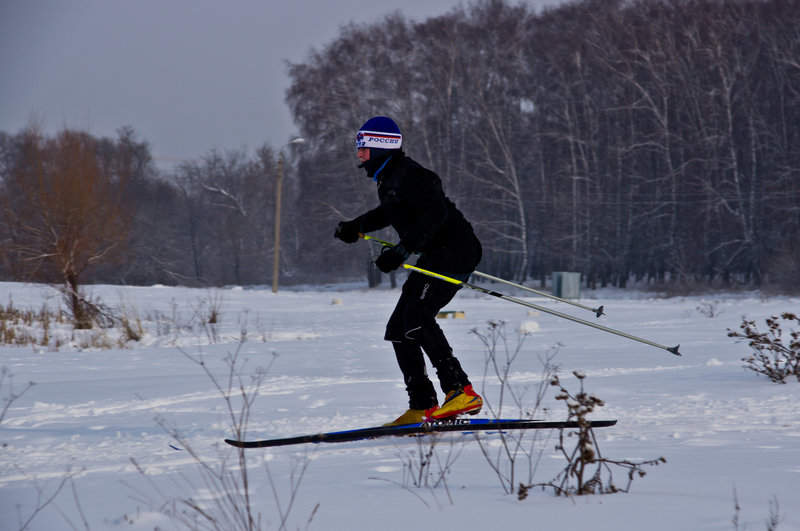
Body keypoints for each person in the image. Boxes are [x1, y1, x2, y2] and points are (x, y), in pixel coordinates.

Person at [334, 116, 484, 426]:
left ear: (380, 146)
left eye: (362, 148)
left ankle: (461, 391)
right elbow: (389, 213)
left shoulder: (414, 176)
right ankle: (422, 404)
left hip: (455, 250)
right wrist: (356, 227)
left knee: (417, 317)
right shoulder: (388, 178)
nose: (358, 154)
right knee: (399, 328)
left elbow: (436, 215)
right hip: (436, 253)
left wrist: (403, 251)